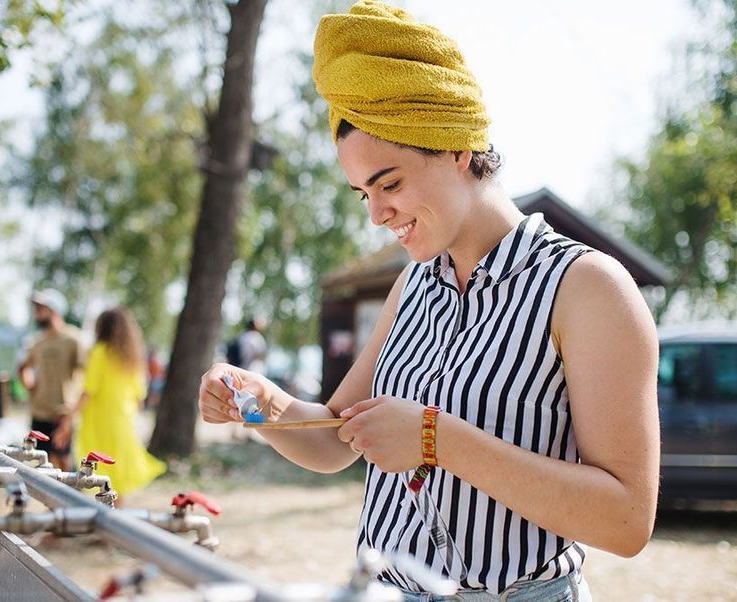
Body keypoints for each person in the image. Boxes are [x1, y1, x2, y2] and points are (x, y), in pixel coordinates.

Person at [198, 3, 659, 600]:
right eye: (363, 192)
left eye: (389, 183)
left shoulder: (587, 288)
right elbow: (333, 439)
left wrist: (438, 439)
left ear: (459, 148)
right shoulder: (412, 284)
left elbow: (626, 522)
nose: (376, 213)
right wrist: (260, 404)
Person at [60, 307, 166, 505]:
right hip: (123, 421)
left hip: (100, 421)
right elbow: (139, 397)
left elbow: (88, 391)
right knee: (118, 475)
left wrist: (68, 417)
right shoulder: (133, 357)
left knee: (101, 472)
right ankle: (114, 521)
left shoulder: (100, 352)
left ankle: (105, 523)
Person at [18, 288, 85, 471]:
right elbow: (22, 368)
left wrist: (72, 413)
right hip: (40, 414)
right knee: (46, 465)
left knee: (65, 464)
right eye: (36, 307)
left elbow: (86, 375)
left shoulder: (73, 339)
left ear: (55, 310)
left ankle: (72, 500)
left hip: (62, 414)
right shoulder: (37, 342)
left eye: (41, 307)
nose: (37, 312)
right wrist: (31, 388)